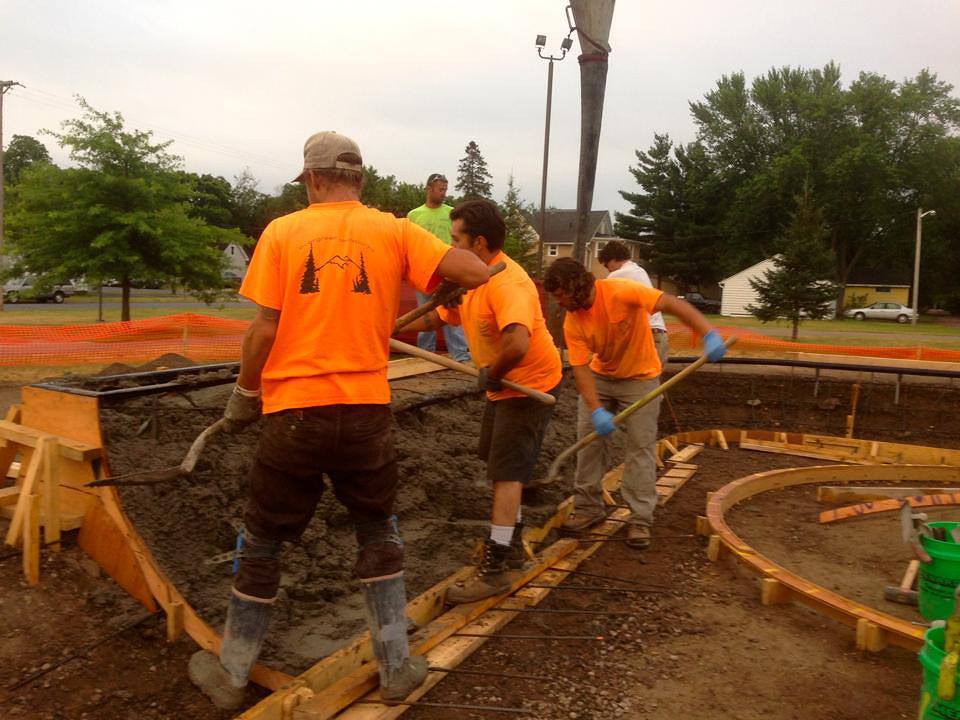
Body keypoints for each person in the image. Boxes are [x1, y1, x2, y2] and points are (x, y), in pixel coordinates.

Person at [187, 131, 490, 711]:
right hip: (365, 413)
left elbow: (265, 330)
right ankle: (397, 669)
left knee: (264, 542)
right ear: (357, 179)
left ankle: (231, 675)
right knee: (378, 532)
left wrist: (244, 393)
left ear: (316, 179)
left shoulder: (283, 232)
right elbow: (475, 272)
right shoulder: (395, 230)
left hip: (294, 413)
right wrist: (446, 277)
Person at [402, 200, 563, 604]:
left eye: (456, 240)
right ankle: (512, 549)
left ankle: (494, 568)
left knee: (507, 474)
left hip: (529, 385)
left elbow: (518, 344)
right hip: (505, 385)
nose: (451, 247)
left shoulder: (510, 284)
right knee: (499, 467)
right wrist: (390, 329)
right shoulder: (475, 279)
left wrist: (492, 371)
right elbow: (440, 319)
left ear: (480, 242)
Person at [543, 257, 726, 549]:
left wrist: (708, 333)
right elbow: (580, 369)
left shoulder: (621, 292)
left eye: (561, 295)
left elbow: (673, 304)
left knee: (639, 447)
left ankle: (640, 519)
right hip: (601, 378)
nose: (558, 301)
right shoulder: (572, 321)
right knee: (589, 442)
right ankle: (589, 508)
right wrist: (596, 409)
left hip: (640, 378)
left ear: (576, 286)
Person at [407, 174, 471, 363]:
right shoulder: (414, 215)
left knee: (451, 313)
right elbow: (409, 244)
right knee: (425, 312)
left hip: (448, 273)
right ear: (429, 189)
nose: (443, 193)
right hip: (423, 272)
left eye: (445, 189)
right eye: (440, 189)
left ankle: (461, 357)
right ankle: (425, 356)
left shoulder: (452, 214)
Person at [598, 240, 669, 366]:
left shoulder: (618, 275)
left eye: (606, 265)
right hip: (660, 335)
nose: (608, 270)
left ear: (613, 259)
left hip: (647, 336)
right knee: (650, 384)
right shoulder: (638, 271)